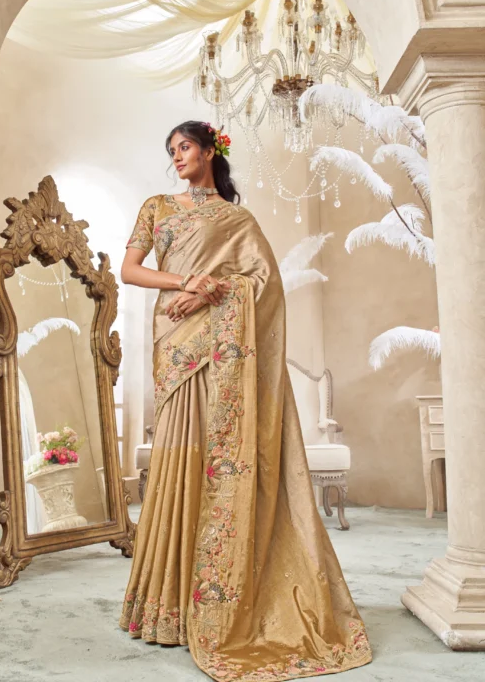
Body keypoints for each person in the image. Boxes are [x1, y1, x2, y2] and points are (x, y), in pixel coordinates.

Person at [119, 120, 372, 681]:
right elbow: (131, 270)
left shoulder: (239, 219)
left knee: (216, 459)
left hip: (223, 348)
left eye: (184, 147)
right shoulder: (158, 207)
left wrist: (215, 287)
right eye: (171, 151)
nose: (177, 157)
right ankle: (163, 601)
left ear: (210, 151)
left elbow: (263, 284)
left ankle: (214, 599)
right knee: (178, 455)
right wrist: (186, 284)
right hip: (178, 346)